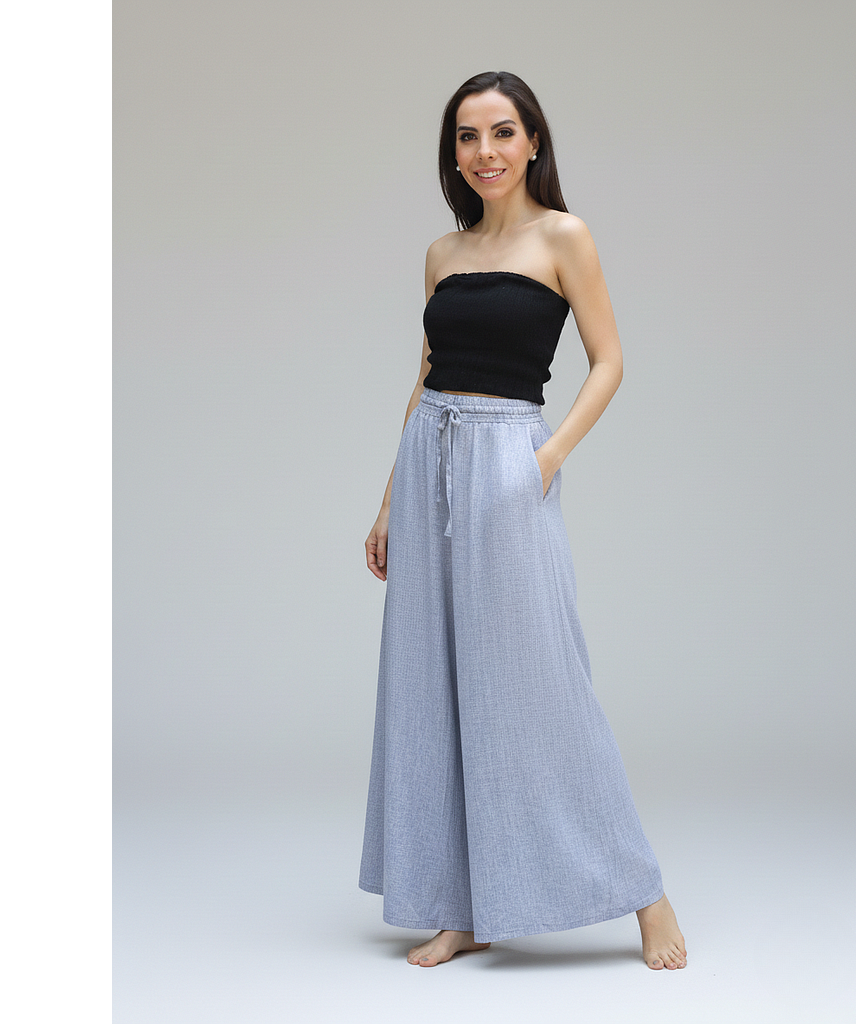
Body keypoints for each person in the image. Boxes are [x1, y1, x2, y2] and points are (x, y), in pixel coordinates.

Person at [359, 71, 687, 971]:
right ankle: (463, 907)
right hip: (428, 461)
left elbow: (609, 360)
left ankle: (644, 891)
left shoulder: (564, 237)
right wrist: (388, 501)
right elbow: (426, 377)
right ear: (453, 153)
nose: (486, 152)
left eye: (502, 132)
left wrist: (547, 458)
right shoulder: (442, 251)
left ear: (534, 140)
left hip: (508, 460)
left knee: (538, 685)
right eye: (467, 137)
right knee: (434, 685)